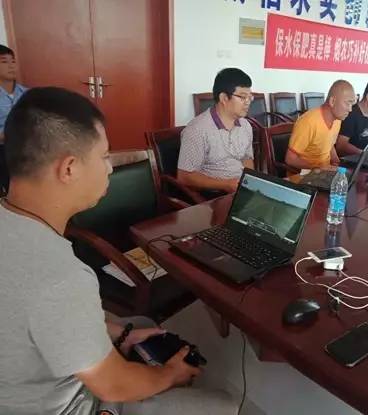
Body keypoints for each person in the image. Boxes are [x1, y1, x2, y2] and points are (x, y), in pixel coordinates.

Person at [0, 87, 236, 415]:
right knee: (227, 406)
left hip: (19, 382)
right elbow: (113, 385)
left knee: (138, 324)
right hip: (67, 405)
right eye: (104, 156)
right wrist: (170, 375)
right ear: (69, 168)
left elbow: (47, 319)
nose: (110, 168)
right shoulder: (60, 277)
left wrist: (122, 334)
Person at [177, 68, 254, 194]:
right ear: (224, 98)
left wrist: (250, 184)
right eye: (243, 97)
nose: (248, 102)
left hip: (240, 190)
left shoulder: (245, 126)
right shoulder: (197, 129)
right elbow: (184, 176)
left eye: (250, 97)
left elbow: (247, 159)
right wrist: (225, 185)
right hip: (215, 194)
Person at [285, 80, 356, 171]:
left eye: (352, 104)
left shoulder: (337, 120)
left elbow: (329, 145)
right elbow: (290, 159)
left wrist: (337, 163)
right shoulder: (308, 122)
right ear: (332, 101)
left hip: (324, 173)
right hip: (304, 174)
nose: (350, 109)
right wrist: (317, 168)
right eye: (347, 103)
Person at [0, 45, 27, 142]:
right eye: (4, 62)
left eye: (13, 61)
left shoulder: (27, 93)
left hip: (27, 145)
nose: (11, 66)